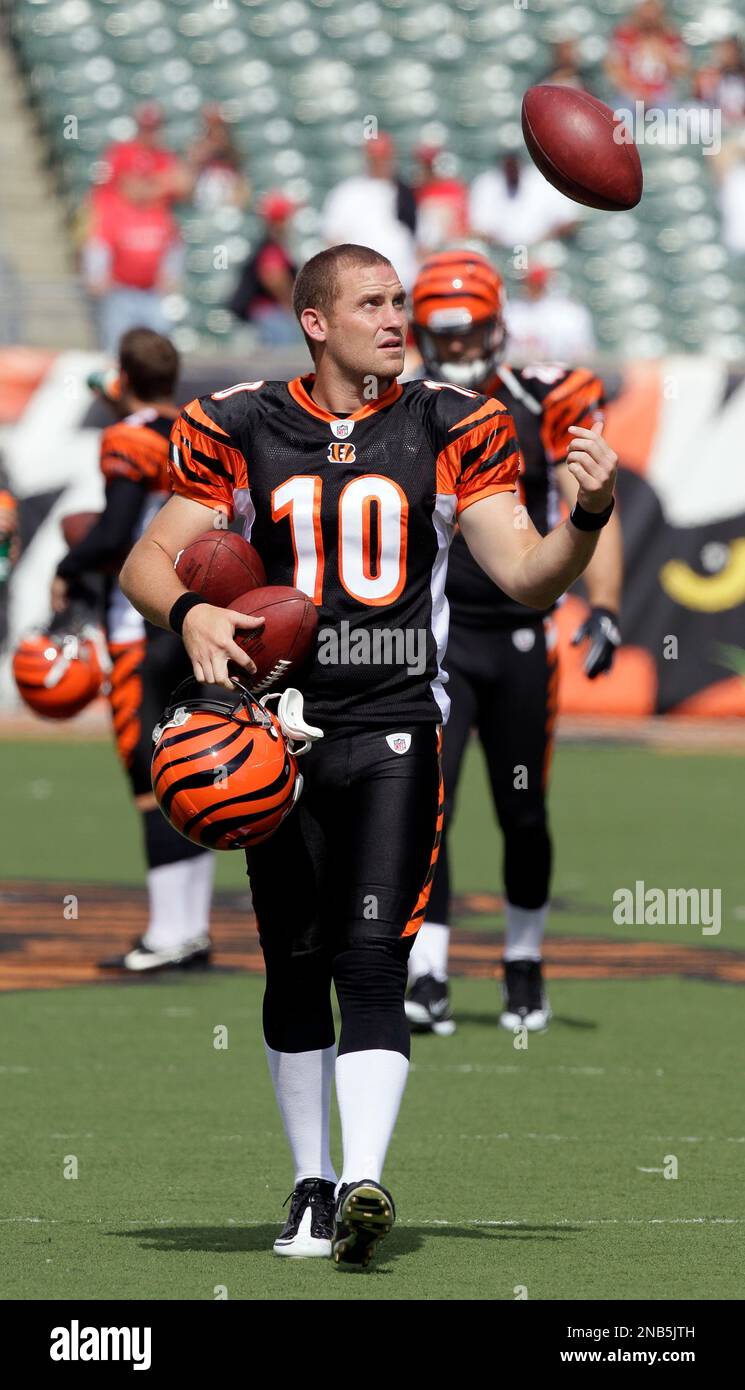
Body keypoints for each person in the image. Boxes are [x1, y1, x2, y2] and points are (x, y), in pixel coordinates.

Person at [118, 243, 617, 1267]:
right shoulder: (239, 420)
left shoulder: (450, 421)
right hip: (276, 728)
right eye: (375, 303)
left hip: (395, 723)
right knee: (294, 961)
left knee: (373, 955)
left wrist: (589, 518)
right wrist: (195, 610)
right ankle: (307, 1179)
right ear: (314, 319)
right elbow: (146, 560)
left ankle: (361, 1183)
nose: (399, 319)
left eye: (401, 302)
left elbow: (525, 577)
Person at [406, 250, 622, 1035]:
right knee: (429, 804)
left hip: (520, 633)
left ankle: (523, 959)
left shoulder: (542, 398)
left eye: (470, 334)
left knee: (522, 809)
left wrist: (602, 605)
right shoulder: (407, 405)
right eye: (445, 336)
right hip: (437, 634)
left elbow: (591, 498)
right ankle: (426, 967)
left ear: (498, 325)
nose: (459, 350)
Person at [52, 329, 215, 973]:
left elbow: (117, 533)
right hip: (193, 621)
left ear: (123, 375)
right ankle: (191, 929)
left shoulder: (128, 438)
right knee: (195, 773)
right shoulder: (194, 431)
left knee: (150, 781)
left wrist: (68, 563)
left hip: (142, 624)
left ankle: (168, 934)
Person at [83, 104, 191, 352]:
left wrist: (171, 275)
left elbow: (184, 184)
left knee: (157, 352)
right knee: (117, 353)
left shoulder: (160, 211)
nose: (151, 133)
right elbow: (99, 243)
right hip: (120, 291)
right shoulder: (122, 161)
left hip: (152, 292)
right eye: (146, 128)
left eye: (155, 128)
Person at [322, 134, 419, 289]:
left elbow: (422, 241)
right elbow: (333, 240)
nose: (380, 162)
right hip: (364, 283)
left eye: (384, 156)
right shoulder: (348, 192)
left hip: (405, 279)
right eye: (376, 157)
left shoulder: (407, 192)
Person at [228, 192, 299, 345]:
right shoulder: (271, 246)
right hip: (269, 312)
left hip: (267, 313)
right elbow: (273, 277)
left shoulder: (273, 243)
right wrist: (288, 303)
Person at [469, 152, 579, 250]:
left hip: (542, 249)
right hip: (498, 250)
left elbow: (569, 222)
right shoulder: (486, 183)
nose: (512, 167)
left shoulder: (542, 179)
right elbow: (478, 230)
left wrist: (539, 242)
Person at [605, 0, 689, 111]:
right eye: (646, 8)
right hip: (630, 94)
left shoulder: (671, 36)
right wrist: (634, 91)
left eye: (653, 8)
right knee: (617, 114)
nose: (649, 14)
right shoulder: (625, 34)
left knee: (674, 114)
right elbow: (614, 67)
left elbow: (682, 69)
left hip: (662, 94)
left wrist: (665, 54)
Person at [505, 264, 597, 362]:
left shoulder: (570, 313)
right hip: (516, 370)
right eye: (530, 283)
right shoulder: (510, 311)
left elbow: (583, 354)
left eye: (537, 283)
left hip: (559, 370)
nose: (533, 287)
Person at [187, 104, 251, 211]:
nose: (218, 132)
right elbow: (187, 180)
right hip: (202, 207)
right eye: (213, 126)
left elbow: (243, 186)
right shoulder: (198, 150)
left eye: (221, 127)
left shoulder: (233, 154)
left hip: (230, 208)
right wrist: (211, 147)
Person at [413, 145, 469, 253]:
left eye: (430, 165)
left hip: (451, 245)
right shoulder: (416, 191)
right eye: (425, 164)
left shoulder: (454, 189)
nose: (428, 169)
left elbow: (463, 227)